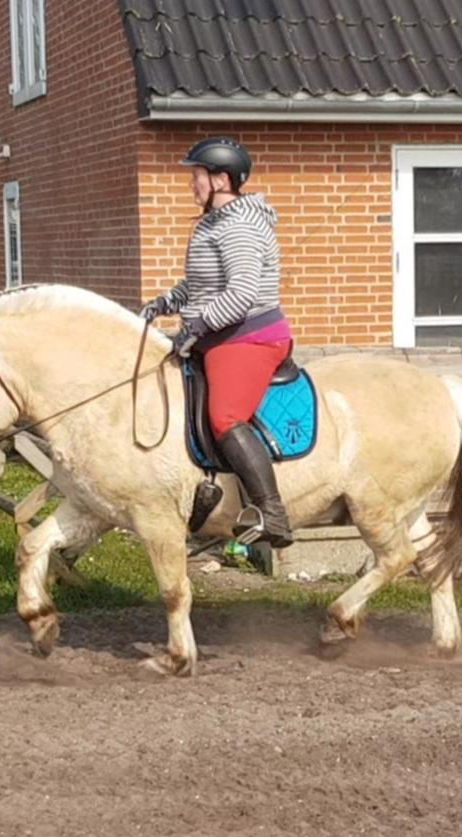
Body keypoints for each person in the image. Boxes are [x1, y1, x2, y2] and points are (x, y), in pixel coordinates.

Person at [140, 136, 293, 548]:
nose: (192, 183)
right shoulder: (212, 223)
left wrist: (194, 327)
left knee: (225, 417)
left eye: (198, 175)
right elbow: (204, 283)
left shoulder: (241, 226)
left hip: (250, 337)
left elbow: (241, 294)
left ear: (222, 180)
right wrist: (165, 303)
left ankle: (272, 511)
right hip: (217, 334)